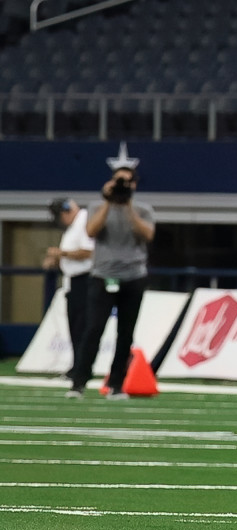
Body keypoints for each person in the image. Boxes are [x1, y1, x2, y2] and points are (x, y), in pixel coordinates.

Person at [66, 144, 156, 399]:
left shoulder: (143, 210)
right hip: (103, 275)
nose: (122, 185)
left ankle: (116, 384)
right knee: (93, 329)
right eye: (119, 181)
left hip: (133, 276)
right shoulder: (96, 207)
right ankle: (79, 382)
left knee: (125, 333)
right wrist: (109, 201)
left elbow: (147, 234)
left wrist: (126, 204)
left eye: (127, 182)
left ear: (135, 185)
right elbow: (91, 232)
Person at [43, 197, 95, 375]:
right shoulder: (73, 227)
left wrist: (60, 253)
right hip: (73, 280)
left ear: (66, 212)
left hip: (85, 280)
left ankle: (82, 367)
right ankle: (77, 365)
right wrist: (58, 259)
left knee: (81, 325)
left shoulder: (84, 222)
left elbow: (88, 252)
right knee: (74, 326)